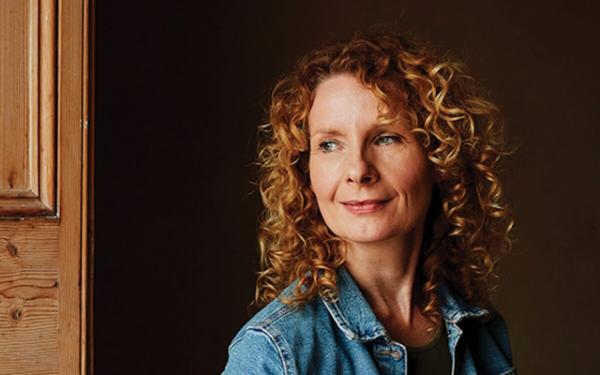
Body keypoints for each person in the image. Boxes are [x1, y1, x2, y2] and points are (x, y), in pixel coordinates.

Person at [223, 30, 517, 375]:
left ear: (439, 157)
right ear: (306, 171)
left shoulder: (480, 329)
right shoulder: (274, 349)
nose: (358, 170)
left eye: (386, 138)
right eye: (330, 145)